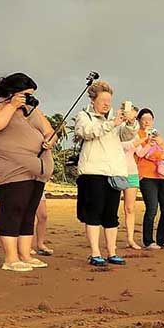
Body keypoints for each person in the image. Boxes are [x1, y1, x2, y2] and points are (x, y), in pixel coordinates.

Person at [0, 72, 55, 272]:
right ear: (13, 92)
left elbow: (49, 131)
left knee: (28, 212)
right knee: (13, 210)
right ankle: (10, 258)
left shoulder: (32, 110)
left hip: (36, 170)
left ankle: (25, 254)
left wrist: (49, 141)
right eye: (25, 94)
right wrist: (12, 105)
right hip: (10, 169)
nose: (29, 98)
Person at [72, 79, 128, 267]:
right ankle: (95, 252)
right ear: (93, 99)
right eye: (103, 100)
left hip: (114, 172)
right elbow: (87, 132)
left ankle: (112, 252)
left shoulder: (116, 119)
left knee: (111, 214)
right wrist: (111, 123)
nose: (106, 104)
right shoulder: (84, 115)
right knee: (93, 213)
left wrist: (130, 122)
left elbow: (128, 136)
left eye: (109, 101)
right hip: (92, 172)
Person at [134, 108, 164, 249]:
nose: (147, 122)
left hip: (162, 175)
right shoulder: (137, 135)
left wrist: (162, 145)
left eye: (150, 119)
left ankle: (161, 239)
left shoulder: (157, 135)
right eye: (144, 119)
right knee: (152, 208)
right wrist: (158, 152)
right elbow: (144, 155)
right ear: (139, 120)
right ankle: (148, 240)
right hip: (146, 175)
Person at [117, 101, 142, 250]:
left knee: (130, 208)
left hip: (132, 171)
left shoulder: (135, 131)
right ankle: (110, 235)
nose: (130, 114)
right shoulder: (116, 128)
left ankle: (131, 239)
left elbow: (139, 151)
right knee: (112, 206)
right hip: (116, 171)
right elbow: (124, 145)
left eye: (133, 112)